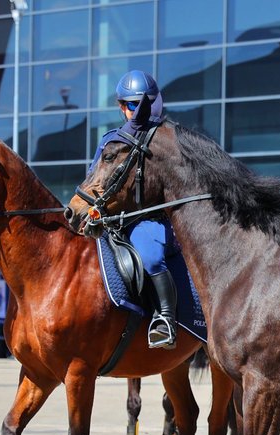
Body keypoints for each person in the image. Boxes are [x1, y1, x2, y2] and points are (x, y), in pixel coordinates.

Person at [91, 69, 177, 349]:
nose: (135, 110)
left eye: (142, 104)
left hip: (149, 221)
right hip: (111, 221)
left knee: (150, 257)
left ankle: (165, 319)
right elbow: (94, 179)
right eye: (130, 104)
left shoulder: (165, 139)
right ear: (121, 106)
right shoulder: (110, 140)